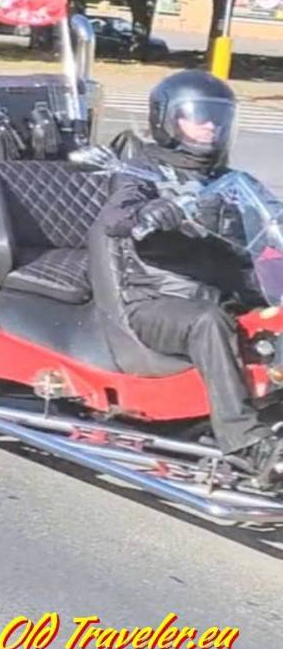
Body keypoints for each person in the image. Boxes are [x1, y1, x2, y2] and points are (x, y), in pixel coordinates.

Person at [96, 70, 283, 484]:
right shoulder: (142, 172)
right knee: (208, 322)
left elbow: (271, 215)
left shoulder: (230, 180)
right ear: (167, 120)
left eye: (217, 117)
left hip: (221, 291)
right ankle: (245, 442)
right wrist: (149, 213)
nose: (210, 126)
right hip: (155, 304)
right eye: (198, 116)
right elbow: (116, 215)